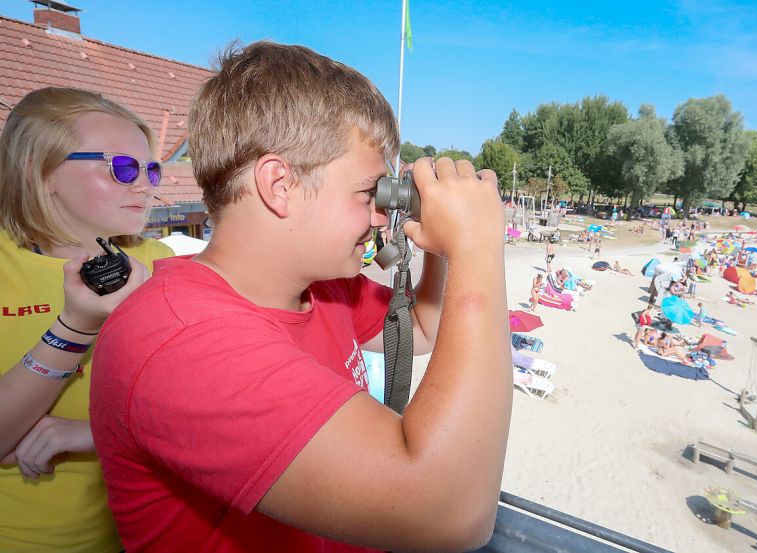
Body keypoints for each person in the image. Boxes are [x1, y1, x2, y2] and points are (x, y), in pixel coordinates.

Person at [89, 42, 510, 552]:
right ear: (279, 184)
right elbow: (451, 512)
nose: (381, 216)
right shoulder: (180, 344)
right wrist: (478, 248)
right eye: (369, 193)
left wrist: (444, 246)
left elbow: (422, 329)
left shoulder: (321, 289)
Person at [0, 88, 174, 551]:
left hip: (144, 536)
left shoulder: (162, 264)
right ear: (41, 169)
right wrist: (74, 328)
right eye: (122, 167)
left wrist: (100, 433)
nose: (145, 184)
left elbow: (206, 413)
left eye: (150, 169)